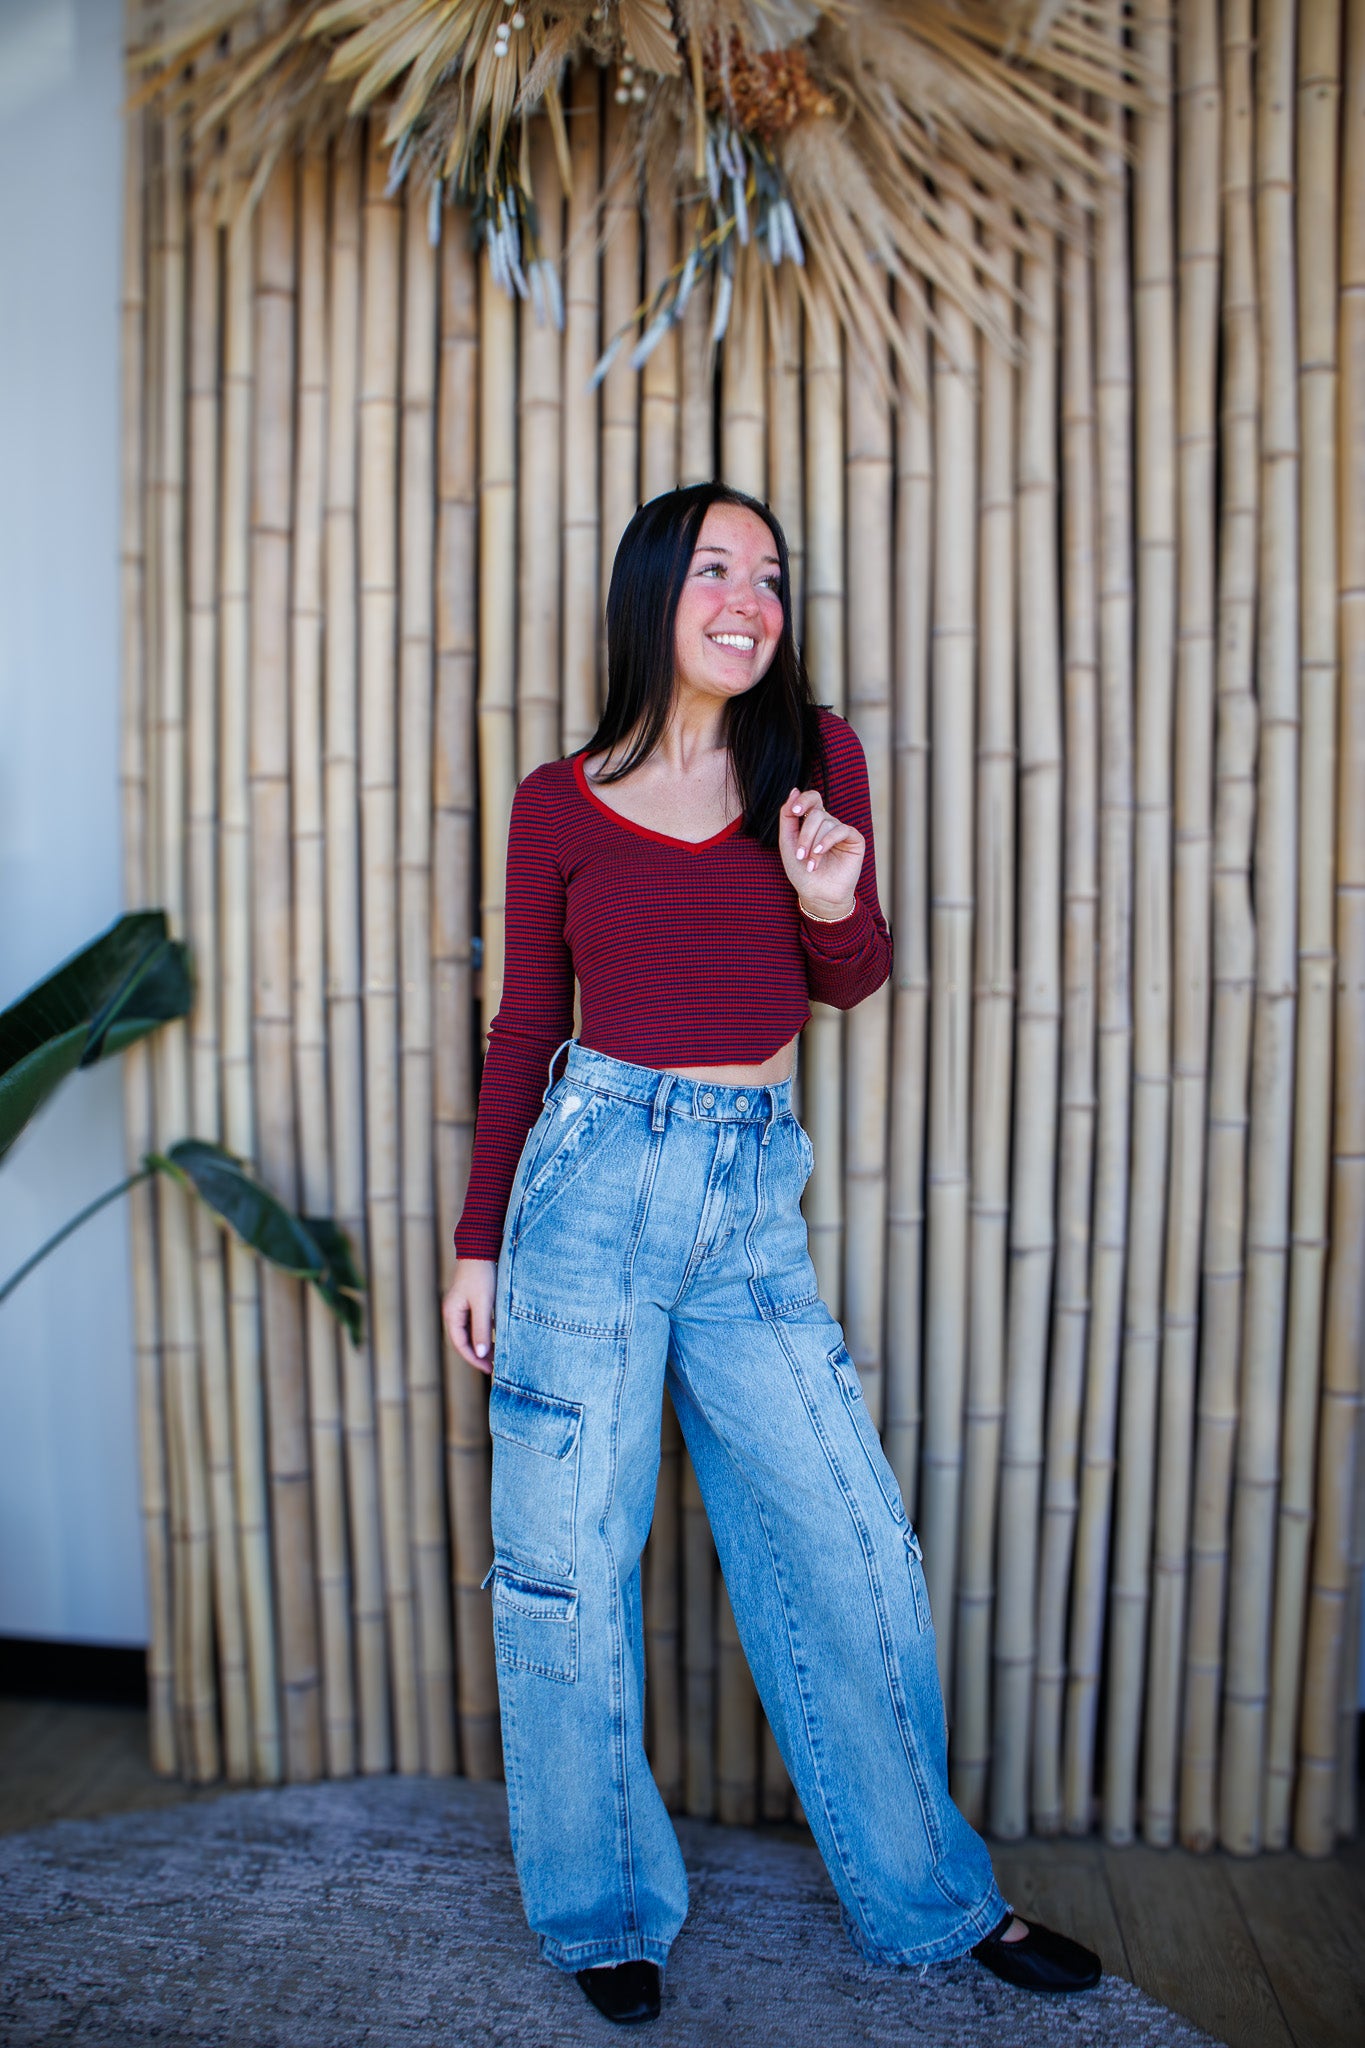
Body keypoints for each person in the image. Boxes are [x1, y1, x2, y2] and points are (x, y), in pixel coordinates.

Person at [441, 482, 1100, 2024]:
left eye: (770, 575)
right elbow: (526, 1023)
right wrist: (478, 1246)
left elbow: (850, 975)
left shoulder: (815, 762)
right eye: (715, 569)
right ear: (651, 594)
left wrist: (827, 897)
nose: (748, 599)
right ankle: (603, 1912)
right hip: (587, 1187)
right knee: (565, 1572)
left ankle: (933, 1900)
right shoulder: (557, 802)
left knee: (851, 1550)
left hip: (748, 1203)